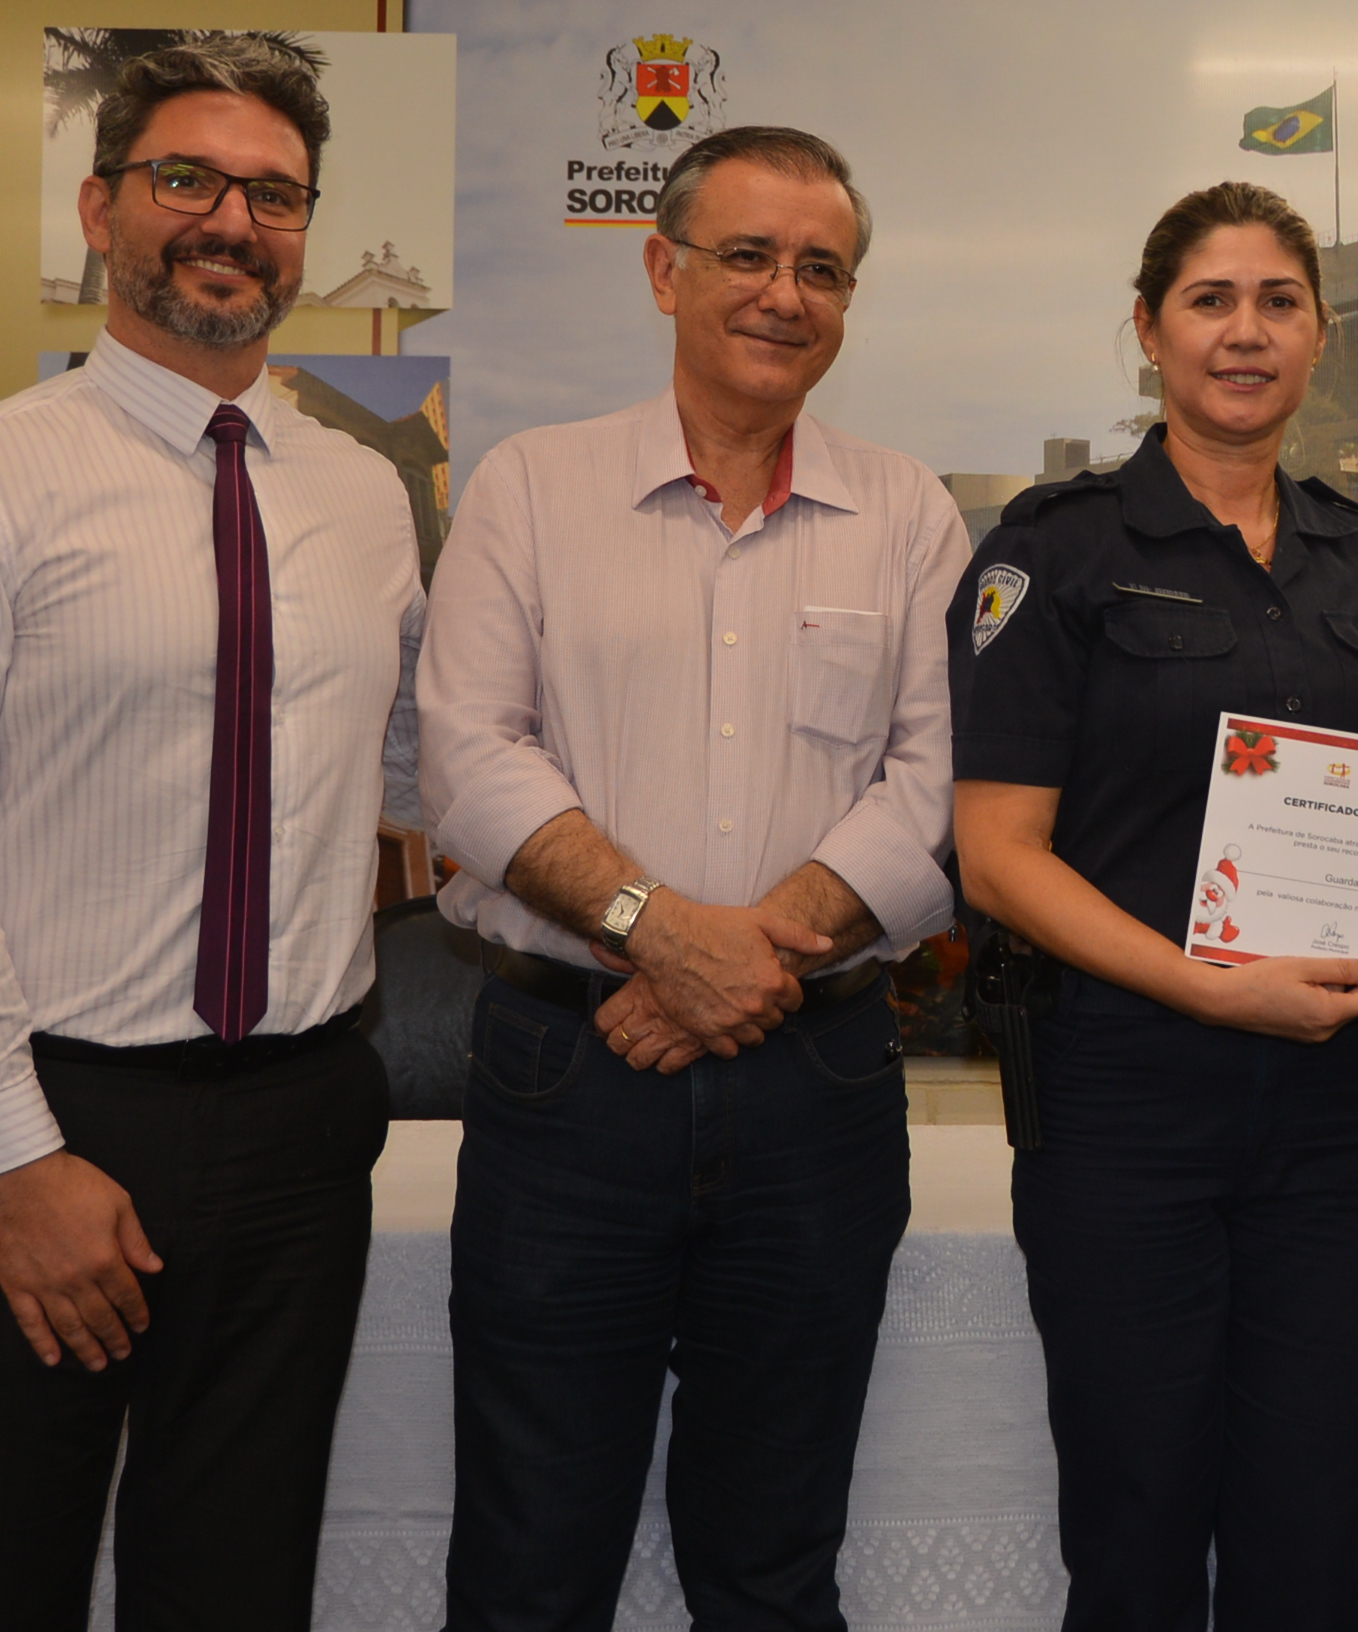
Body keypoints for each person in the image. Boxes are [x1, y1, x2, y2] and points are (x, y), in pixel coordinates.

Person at [0, 34, 424, 1631]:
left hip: (298, 1130)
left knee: (237, 1592)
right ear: (101, 211)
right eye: (187, 181)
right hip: (41, 1115)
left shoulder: (364, 498)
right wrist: (17, 1157)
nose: (232, 221)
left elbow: (420, 774)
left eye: (275, 195)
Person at [418, 125, 967, 1632]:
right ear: (664, 270)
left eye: (822, 269)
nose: (785, 294)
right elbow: (468, 757)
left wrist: (740, 961)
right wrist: (658, 931)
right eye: (747, 256)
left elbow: (936, 783)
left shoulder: (908, 513)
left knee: (773, 1564)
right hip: (567, 1084)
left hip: (816, 1092)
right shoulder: (532, 487)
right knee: (531, 1563)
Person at [949, 181, 1358, 1632]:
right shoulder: (1055, 551)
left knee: (1314, 1529)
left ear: (1320, 334)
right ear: (1148, 331)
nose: (1245, 332)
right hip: (1126, 1103)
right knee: (1139, 1525)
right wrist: (1215, 989)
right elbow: (998, 858)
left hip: (1343, 1116)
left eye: (1278, 302)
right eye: (1209, 301)